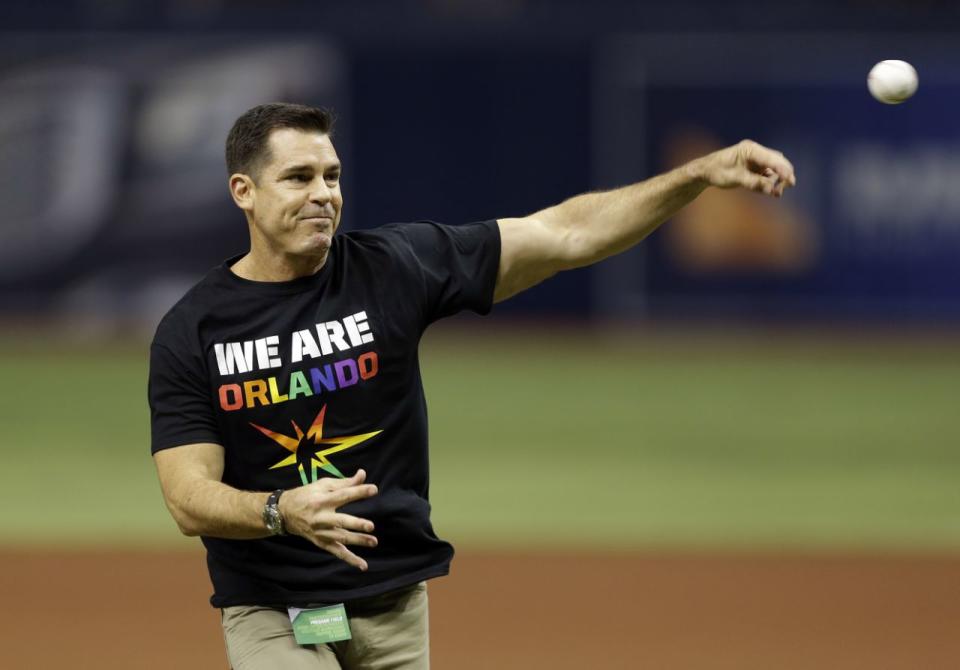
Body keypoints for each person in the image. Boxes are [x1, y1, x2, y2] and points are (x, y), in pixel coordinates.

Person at [149, 102, 795, 669]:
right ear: (243, 191)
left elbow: (565, 233)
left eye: (332, 176)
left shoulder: (391, 270)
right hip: (272, 608)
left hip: (393, 601)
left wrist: (698, 175)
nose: (324, 193)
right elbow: (187, 496)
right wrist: (278, 511)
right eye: (299, 177)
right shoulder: (195, 330)